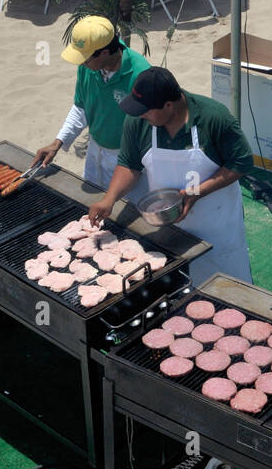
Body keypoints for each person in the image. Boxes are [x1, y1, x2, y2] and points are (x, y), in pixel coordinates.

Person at [87, 66, 253, 286]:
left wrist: (197, 193)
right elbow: (130, 165)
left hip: (217, 224)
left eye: (146, 110)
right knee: (178, 287)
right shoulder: (138, 122)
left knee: (227, 287)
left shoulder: (214, 118)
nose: (141, 115)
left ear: (169, 105)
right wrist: (109, 198)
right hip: (168, 227)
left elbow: (241, 163)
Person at [31, 16, 151, 193]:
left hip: (128, 161)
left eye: (85, 59)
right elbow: (81, 108)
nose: (82, 63)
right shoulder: (88, 68)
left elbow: (150, 130)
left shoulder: (141, 74)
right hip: (96, 150)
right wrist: (57, 143)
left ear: (103, 52)